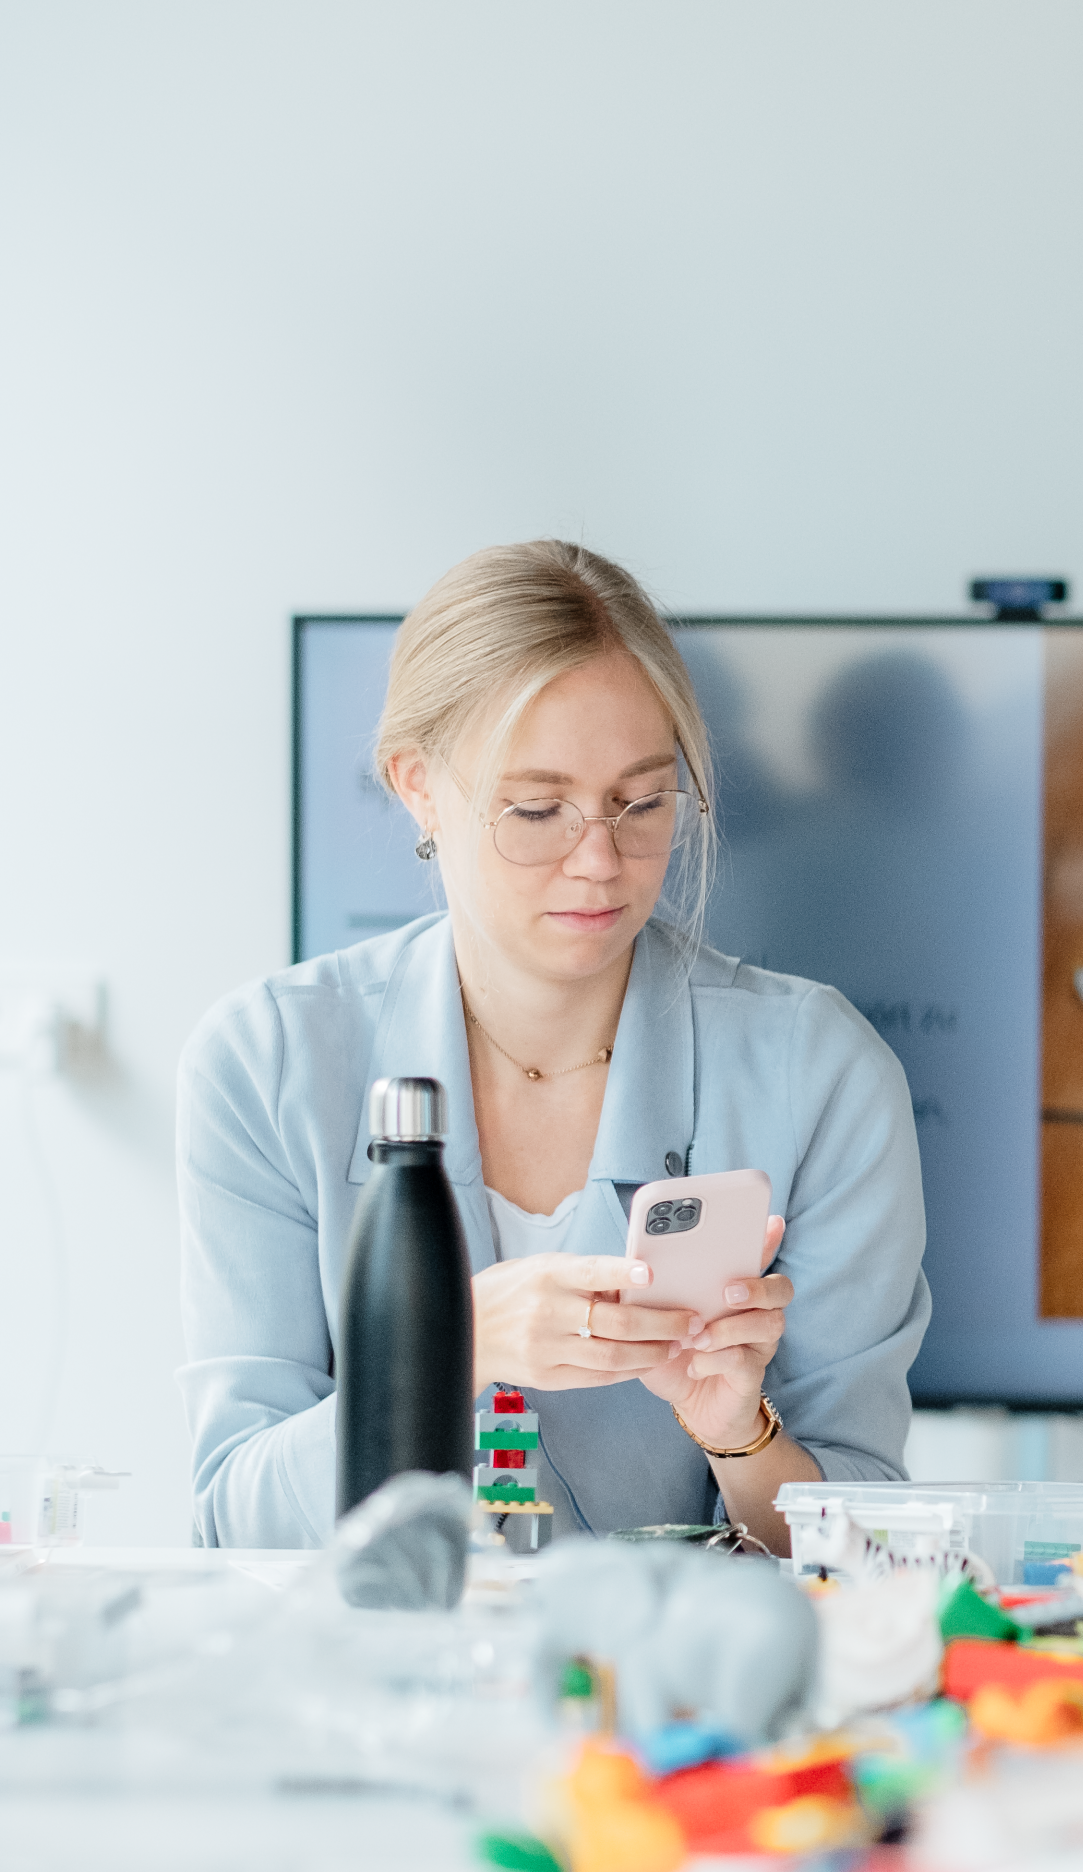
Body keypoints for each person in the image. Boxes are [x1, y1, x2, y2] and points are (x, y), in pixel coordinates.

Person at [178, 541, 930, 1549]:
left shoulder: (820, 1072)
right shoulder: (264, 1063)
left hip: (683, 1694)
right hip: (375, 1680)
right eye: (537, 809)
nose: (601, 861)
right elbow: (236, 1523)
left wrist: (739, 1436)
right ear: (417, 788)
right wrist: (455, 1349)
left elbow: (867, 1542)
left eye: (643, 800)